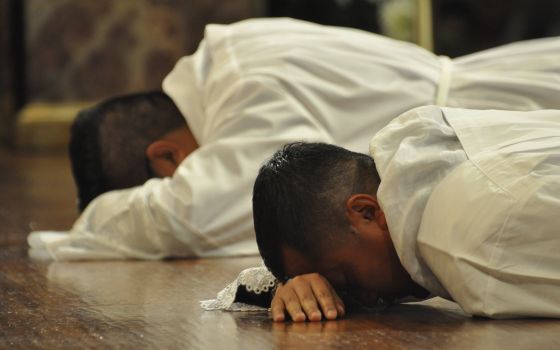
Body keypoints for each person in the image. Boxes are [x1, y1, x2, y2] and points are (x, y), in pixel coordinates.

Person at [28, 17, 560, 260]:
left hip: (502, 115)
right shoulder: (229, 49)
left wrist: (79, 230)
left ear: (166, 157)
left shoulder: (248, 93)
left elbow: (187, 218)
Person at [253, 105, 560, 322]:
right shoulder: (415, 150)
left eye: (348, 282)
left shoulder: (470, 244)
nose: (365, 299)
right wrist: (293, 287)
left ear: (366, 212)